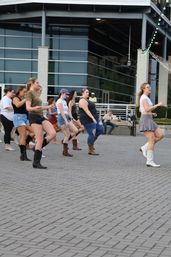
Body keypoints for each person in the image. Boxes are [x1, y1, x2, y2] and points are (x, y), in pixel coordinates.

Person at [26, 77, 56, 169]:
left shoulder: (35, 93)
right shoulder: (29, 93)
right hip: (34, 117)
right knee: (39, 139)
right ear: (32, 83)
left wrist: (48, 107)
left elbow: (39, 107)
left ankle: (36, 148)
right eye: (37, 83)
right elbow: (28, 108)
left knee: (53, 133)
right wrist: (35, 108)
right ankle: (36, 162)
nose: (39, 84)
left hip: (41, 116)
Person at [138, 82, 164, 167]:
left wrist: (151, 114)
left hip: (149, 119)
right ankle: (149, 161)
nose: (150, 88)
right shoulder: (144, 97)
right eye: (147, 87)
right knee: (152, 140)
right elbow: (147, 108)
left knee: (161, 134)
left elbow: (141, 109)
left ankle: (144, 147)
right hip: (146, 120)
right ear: (144, 89)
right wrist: (157, 105)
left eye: (149, 87)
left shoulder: (145, 98)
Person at [79, 88, 104, 155]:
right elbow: (87, 111)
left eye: (88, 92)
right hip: (88, 119)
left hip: (95, 118)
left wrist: (96, 118)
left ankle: (91, 142)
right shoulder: (82, 100)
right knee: (91, 134)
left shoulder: (88, 99)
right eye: (86, 92)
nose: (88, 93)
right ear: (82, 93)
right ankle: (90, 149)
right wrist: (92, 118)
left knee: (101, 129)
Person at [12, 86, 34, 161]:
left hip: (25, 118)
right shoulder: (15, 98)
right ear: (19, 91)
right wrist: (25, 99)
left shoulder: (24, 99)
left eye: (26, 92)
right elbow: (17, 105)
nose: (25, 93)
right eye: (24, 92)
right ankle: (23, 155)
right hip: (18, 117)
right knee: (23, 135)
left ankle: (23, 145)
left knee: (34, 132)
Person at [56, 88, 78, 157]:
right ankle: (65, 151)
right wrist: (66, 120)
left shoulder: (64, 101)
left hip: (67, 118)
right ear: (62, 93)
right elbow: (62, 112)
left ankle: (65, 144)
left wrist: (71, 118)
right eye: (66, 94)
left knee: (75, 130)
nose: (67, 95)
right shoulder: (59, 101)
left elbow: (67, 111)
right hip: (62, 118)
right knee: (67, 135)